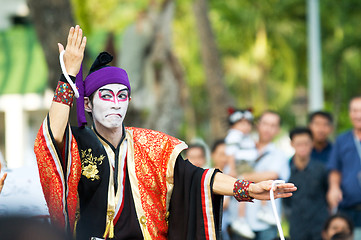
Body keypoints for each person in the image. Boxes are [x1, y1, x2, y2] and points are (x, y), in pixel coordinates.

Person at [33, 25, 296, 240]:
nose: (116, 102)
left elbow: (198, 179)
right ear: (88, 104)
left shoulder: (153, 145)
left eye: (122, 96)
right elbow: (52, 137)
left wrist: (247, 189)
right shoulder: (80, 143)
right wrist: (68, 75)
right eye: (106, 95)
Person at [242, 111, 290, 240]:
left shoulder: (279, 154)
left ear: (278, 130)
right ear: (258, 125)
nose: (268, 128)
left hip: (268, 222)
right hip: (242, 222)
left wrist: (244, 176)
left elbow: (273, 175)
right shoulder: (243, 148)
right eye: (265, 124)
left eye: (273, 125)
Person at [284, 127, 329, 240]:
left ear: (312, 144)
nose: (303, 147)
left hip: (320, 225)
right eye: (299, 144)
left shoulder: (321, 169)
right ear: (292, 144)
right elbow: (285, 201)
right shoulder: (286, 170)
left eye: (306, 143)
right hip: (296, 226)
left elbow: (327, 192)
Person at [327, 96, 361, 239]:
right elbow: (335, 169)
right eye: (355, 110)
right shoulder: (342, 139)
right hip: (348, 208)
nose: (358, 114)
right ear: (350, 114)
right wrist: (334, 187)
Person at [224, 108, 258, 239]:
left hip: (246, 166)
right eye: (242, 123)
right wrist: (232, 168)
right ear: (234, 124)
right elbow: (231, 153)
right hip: (240, 166)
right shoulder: (234, 135)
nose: (246, 126)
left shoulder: (246, 137)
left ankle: (243, 218)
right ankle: (241, 219)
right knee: (243, 191)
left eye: (248, 123)